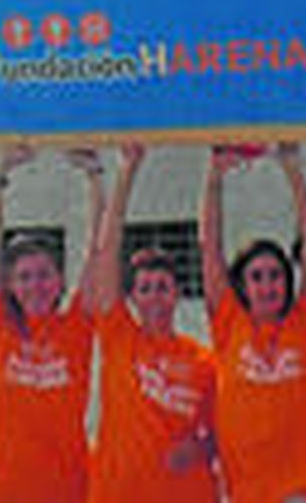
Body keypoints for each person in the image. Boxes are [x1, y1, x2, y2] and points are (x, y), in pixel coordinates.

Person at [199, 142, 306, 503]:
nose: (267, 285)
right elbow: (209, 247)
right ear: (242, 286)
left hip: (305, 490)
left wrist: (291, 168)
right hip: (247, 492)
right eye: (257, 276)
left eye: (276, 275)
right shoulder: (229, 320)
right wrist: (214, 178)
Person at [0, 146, 105, 503]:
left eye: (44, 274)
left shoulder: (77, 325)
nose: (35, 285)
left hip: (66, 491)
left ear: (60, 281)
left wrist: (95, 180)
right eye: (24, 277)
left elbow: (100, 251)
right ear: (11, 285)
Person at [85, 143, 219, 503]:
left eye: (162, 286)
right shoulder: (118, 335)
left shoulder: (204, 361)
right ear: (132, 297)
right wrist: (126, 171)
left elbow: (225, 432)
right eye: (145, 288)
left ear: (176, 293)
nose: (155, 295)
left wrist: (202, 450)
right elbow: (106, 250)